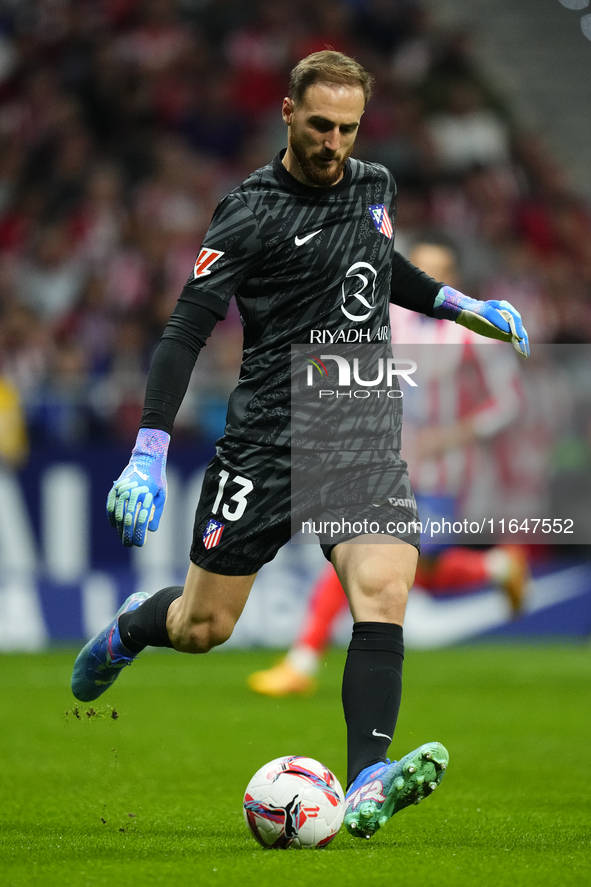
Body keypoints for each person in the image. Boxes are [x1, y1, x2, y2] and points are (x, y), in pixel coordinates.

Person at [71, 52, 529, 840]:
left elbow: (374, 266)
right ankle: (131, 628)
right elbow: (185, 329)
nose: (333, 143)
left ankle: (368, 777)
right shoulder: (246, 213)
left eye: (347, 129)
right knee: (202, 627)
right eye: (319, 125)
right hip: (264, 442)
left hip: (356, 428)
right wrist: (147, 449)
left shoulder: (372, 185)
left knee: (384, 586)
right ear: (287, 112)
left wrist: (457, 302)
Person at [248, 236, 530, 698]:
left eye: (438, 269)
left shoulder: (468, 334)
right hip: (380, 459)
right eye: (420, 269)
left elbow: (508, 400)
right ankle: (301, 660)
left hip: (442, 470)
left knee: (425, 568)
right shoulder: (387, 318)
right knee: (360, 548)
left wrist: (455, 434)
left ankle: (498, 569)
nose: (427, 278)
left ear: (453, 280)